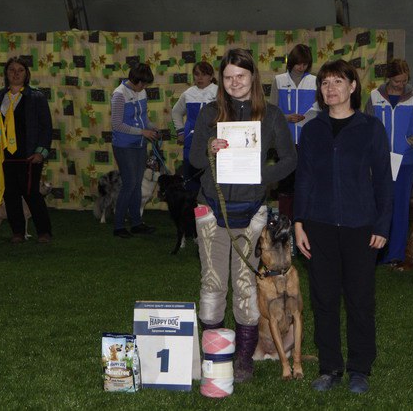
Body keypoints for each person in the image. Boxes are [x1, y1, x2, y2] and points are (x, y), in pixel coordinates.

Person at [189, 48, 296, 383]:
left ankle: (244, 360)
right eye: (228, 77)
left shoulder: (271, 115)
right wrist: (208, 147)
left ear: (253, 77)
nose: (234, 82)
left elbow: (290, 160)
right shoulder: (209, 113)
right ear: (221, 80)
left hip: (252, 212)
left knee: (246, 285)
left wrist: (260, 176)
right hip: (212, 208)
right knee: (213, 283)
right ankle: (214, 354)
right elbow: (194, 161)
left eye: (241, 76)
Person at [294, 59, 393, 393]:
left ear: (352, 86)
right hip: (319, 225)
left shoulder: (371, 128)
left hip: (360, 226)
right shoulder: (312, 130)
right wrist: (298, 222)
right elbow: (304, 179)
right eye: (325, 83)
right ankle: (330, 367)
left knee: (360, 301)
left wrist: (382, 225)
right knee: (323, 300)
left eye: (338, 81)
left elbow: (384, 181)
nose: (330, 88)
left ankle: (360, 368)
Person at [365, 58, 413, 264]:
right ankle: (377, 252)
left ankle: (396, 254)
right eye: (397, 81)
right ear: (388, 78)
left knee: (400, 208)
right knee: (379, 206)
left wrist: (411, 141)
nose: (401, 85)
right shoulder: (374, 97)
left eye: (404, 80)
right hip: (379, 161)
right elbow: (365, 127)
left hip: (405, 162)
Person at [0, 57, 53, 243]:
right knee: (10, 195)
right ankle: (17, 232)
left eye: (20, 70)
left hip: (29, 155)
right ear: (6, 74)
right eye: (11, 70)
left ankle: (44, 232)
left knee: (32, 193)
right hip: (4, 156)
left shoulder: (36, 97)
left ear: (27, 74)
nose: (16, 73)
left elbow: (46, 127)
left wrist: (41, 152)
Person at [110, 63, 160, 238]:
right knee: (130, 184)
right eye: (143, 83)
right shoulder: (119, 94)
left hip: (139, 144)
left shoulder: (142, 92)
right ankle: (118, 226)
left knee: (137, 184)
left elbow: (143, 117)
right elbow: (117, 125)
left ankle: (137, 223)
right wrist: (142, 132)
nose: (144, 87)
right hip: (124, 145)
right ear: (135, 80)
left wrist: (151, 127)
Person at [269, 44, 319, 219]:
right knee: (286, 185)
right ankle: (285, 223)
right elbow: (272, 112)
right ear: (291, 62)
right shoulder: (279, 80)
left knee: (306, 183)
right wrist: (286, 118)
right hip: (285, 141)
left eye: (305, 64)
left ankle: (304, 222)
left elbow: (321, 108)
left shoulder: (315, 81)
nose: (301, 67)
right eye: (298, 63)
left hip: (308, 141)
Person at [170, 61, 218, 191]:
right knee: (191, 178)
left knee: (212, 178)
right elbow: (176, 112)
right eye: (197, 74)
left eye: (204, 74)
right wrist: (180, 131)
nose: (200, 78)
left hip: (212, 141)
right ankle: (192, 203)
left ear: (211, 76)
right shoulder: (188, 93)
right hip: (191, 140)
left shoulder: (219, 92)